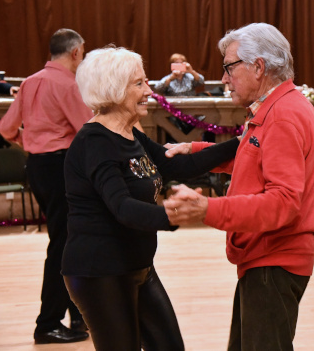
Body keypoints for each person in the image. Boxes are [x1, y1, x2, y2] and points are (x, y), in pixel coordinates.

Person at [61, 47, 239, 351]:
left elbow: (177, 165)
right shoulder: (95, 142)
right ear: (113, 90)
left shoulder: (130, 134)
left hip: (138, 266)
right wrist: (171, 216)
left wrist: (240, 141)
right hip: (99, 272)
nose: (149, 90)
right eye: (139, 84)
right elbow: (122, 208)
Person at [163, 23, 314, 351]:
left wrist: (208, 209)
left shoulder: (282, 116)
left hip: (274, 259)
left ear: (258, 66)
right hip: (266, 258)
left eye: (229, 68)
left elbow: (283, 202)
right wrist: (194, 151)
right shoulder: (278, 106)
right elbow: (253, 154)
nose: (223, 79)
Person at [0, 28, 92, 344]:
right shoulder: (67, 84)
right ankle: (48, 322)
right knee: (64, 245)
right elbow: (87, 130)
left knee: (64, 239)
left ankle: (78, 315)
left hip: (38, 167)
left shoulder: (29, 82)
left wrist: (32, 142)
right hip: (61, 166)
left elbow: (6, 127)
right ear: (76, 52)